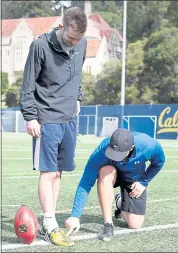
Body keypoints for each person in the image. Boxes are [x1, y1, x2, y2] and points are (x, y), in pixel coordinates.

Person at [20, 7, 87, 247]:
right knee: (48, 172)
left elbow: (78, 74)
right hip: (46, 119)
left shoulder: (81, 43)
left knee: (59, 173)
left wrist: (78, 98)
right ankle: (49, 225)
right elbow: (27, 85)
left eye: (77, 40)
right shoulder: (40, 46)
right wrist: (30, 117)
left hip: (69, 119)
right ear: (61, 27)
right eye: (70, 39)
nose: (73, 44)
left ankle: (51, 219)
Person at [65, 128, 165, 241]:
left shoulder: (148, 145)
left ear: (131, 148)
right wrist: (75, 216)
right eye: (113, 152)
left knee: (135, 224)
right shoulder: (101, 151)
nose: (114, 156)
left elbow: (159, 162)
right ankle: (108, 224)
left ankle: (119, 201)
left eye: (119, 154)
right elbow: (85, 183)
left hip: (133, 178)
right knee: (105, 170)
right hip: (111, 174)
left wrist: (143, 182)